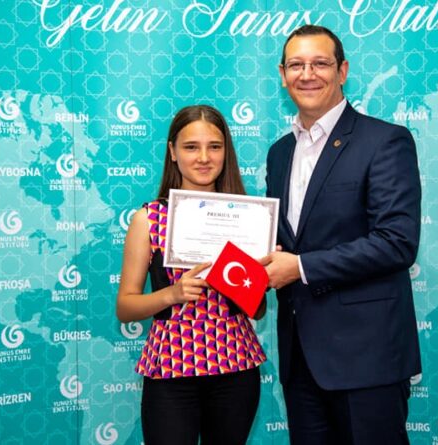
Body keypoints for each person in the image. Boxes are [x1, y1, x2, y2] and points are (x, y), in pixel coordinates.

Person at [262, 25, 422, 445]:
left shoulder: (384, 140)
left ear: (343, 70)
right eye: (296, 65)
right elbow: (282, 240)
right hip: (300, 359)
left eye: (320, 63)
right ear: (282, 74)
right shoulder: (279, 153)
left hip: (367, 358)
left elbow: (397, 241)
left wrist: (299, 267)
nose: (307, 74)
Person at [116, 105, 266, 445]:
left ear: (226, 152)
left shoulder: (247, 217)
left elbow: (258, 310)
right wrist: (172, 294)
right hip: (172, 366)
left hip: (236, 365)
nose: (204, 158)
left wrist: (254, 280)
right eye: (191, 147)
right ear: (172, 152)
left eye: (214, 146)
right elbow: (125, 307)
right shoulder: (149, 219)